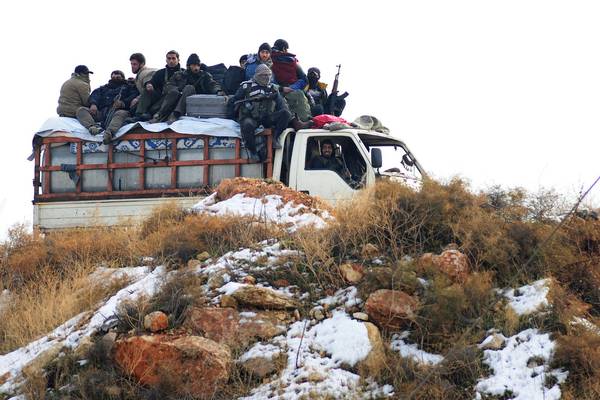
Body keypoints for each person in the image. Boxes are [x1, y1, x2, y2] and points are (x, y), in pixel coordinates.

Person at [229, 64, 291, 158]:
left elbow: (282, 105)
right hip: (251, 117)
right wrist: (232, 117)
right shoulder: (247, 86)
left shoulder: (273, 88)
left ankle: (275, 138)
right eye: (263, 75)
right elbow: (234, 101)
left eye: (268, 75)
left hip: (267, 117)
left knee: (285, 114)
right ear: (258, 75)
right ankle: (252, 150)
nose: (266, 77)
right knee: (247, 124)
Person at [152, 53, 224, 123]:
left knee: (189, 87)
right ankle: (159, 114)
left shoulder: (205, 76)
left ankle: (176, 113)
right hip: (177, 98)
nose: (196, 67)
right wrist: (177, 90)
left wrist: (218, 90)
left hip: (195, 102)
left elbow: (213, 84)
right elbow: (168, 86)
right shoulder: (179, 74)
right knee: (174, 92)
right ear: (189, 66)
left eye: (198, 65)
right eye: (193, 65)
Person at [76, 70, 138, 144]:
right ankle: (94, 127)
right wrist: (93, 104)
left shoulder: (128, 87)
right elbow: (94, 95)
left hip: (118, 112)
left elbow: (133, 96)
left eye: (118, 75)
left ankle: (108, 134)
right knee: (81, 110)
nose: (115, 76)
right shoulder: (103, 88)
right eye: (114, 75)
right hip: (103, 113)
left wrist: (122, 103)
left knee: (121, 113)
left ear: (122, 77)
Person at [134, 50, 184, 121]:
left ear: (178, 60)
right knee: (147, 90)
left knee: (174, 93)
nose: (171, 61)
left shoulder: (184, 73)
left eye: (173, 58)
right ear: (166, 60)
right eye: (169, 58)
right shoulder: (161, 73)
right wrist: (149, 84)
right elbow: (152, 81)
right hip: (160, 97)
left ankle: (155, 114)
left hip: (174, 98)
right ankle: (139, 114)